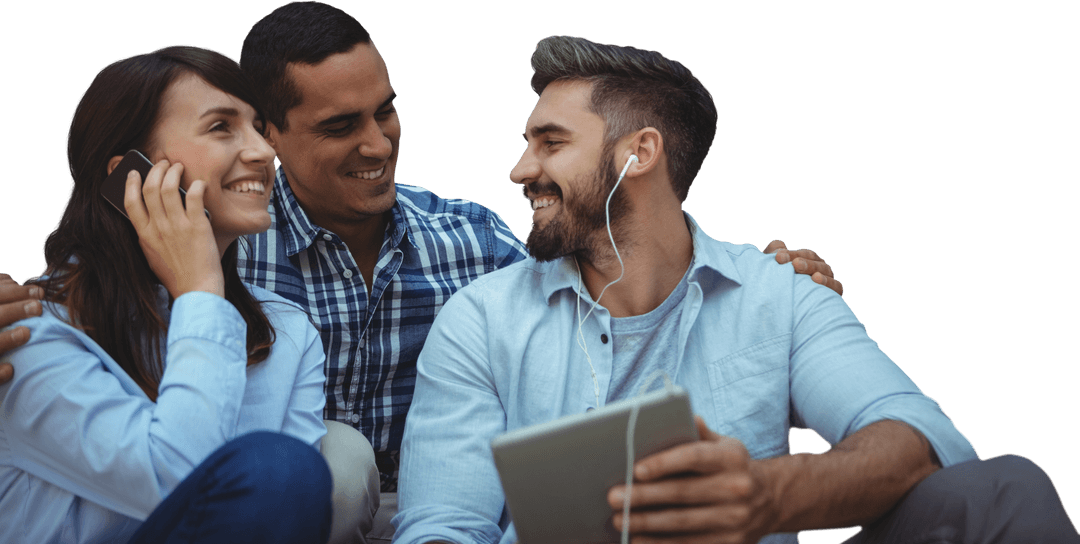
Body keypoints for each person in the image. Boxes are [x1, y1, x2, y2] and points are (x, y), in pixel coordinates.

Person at [0, 2, 844, 539]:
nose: (377, 144)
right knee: (315, 461)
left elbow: (600, 282)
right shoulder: (37, 326)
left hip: (405, 514)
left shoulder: (462, 242)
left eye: (388, 111)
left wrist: (751, 282)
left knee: (323, 465)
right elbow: (193, 479)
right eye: (338, 127)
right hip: (293, 510)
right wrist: (197, 291)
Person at [394, 36, 1079, 544]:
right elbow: (439, 530)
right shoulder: (480, 320)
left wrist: (766, 494)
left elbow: (920, 439)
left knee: (1004, 489)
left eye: (550, 143)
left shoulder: (781, 295)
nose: (520, 169)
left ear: (640, 154)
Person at [0, 46, 332, 543]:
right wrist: (200, 290)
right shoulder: (28, 330)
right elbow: (176, 477)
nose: (264, 152)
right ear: (129, 175)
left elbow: (280, 520)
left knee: (299, 470)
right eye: (221, 127)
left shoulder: (288, 331)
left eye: (259, 127)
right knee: (277, 468)